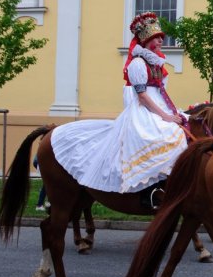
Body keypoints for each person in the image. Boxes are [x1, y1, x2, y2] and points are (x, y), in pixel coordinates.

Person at [50, 12, 187, 201]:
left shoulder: (156, 63)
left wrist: (172, 113)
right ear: (147, 41)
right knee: (160, 137)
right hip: (144, 110)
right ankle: (151, 191)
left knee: (183, 130)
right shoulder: (138, 64)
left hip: (159, 105)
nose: (161, 42)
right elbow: (143, 97)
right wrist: (166, 116)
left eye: (161, 38)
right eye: (157, 39)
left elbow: (160, 92)